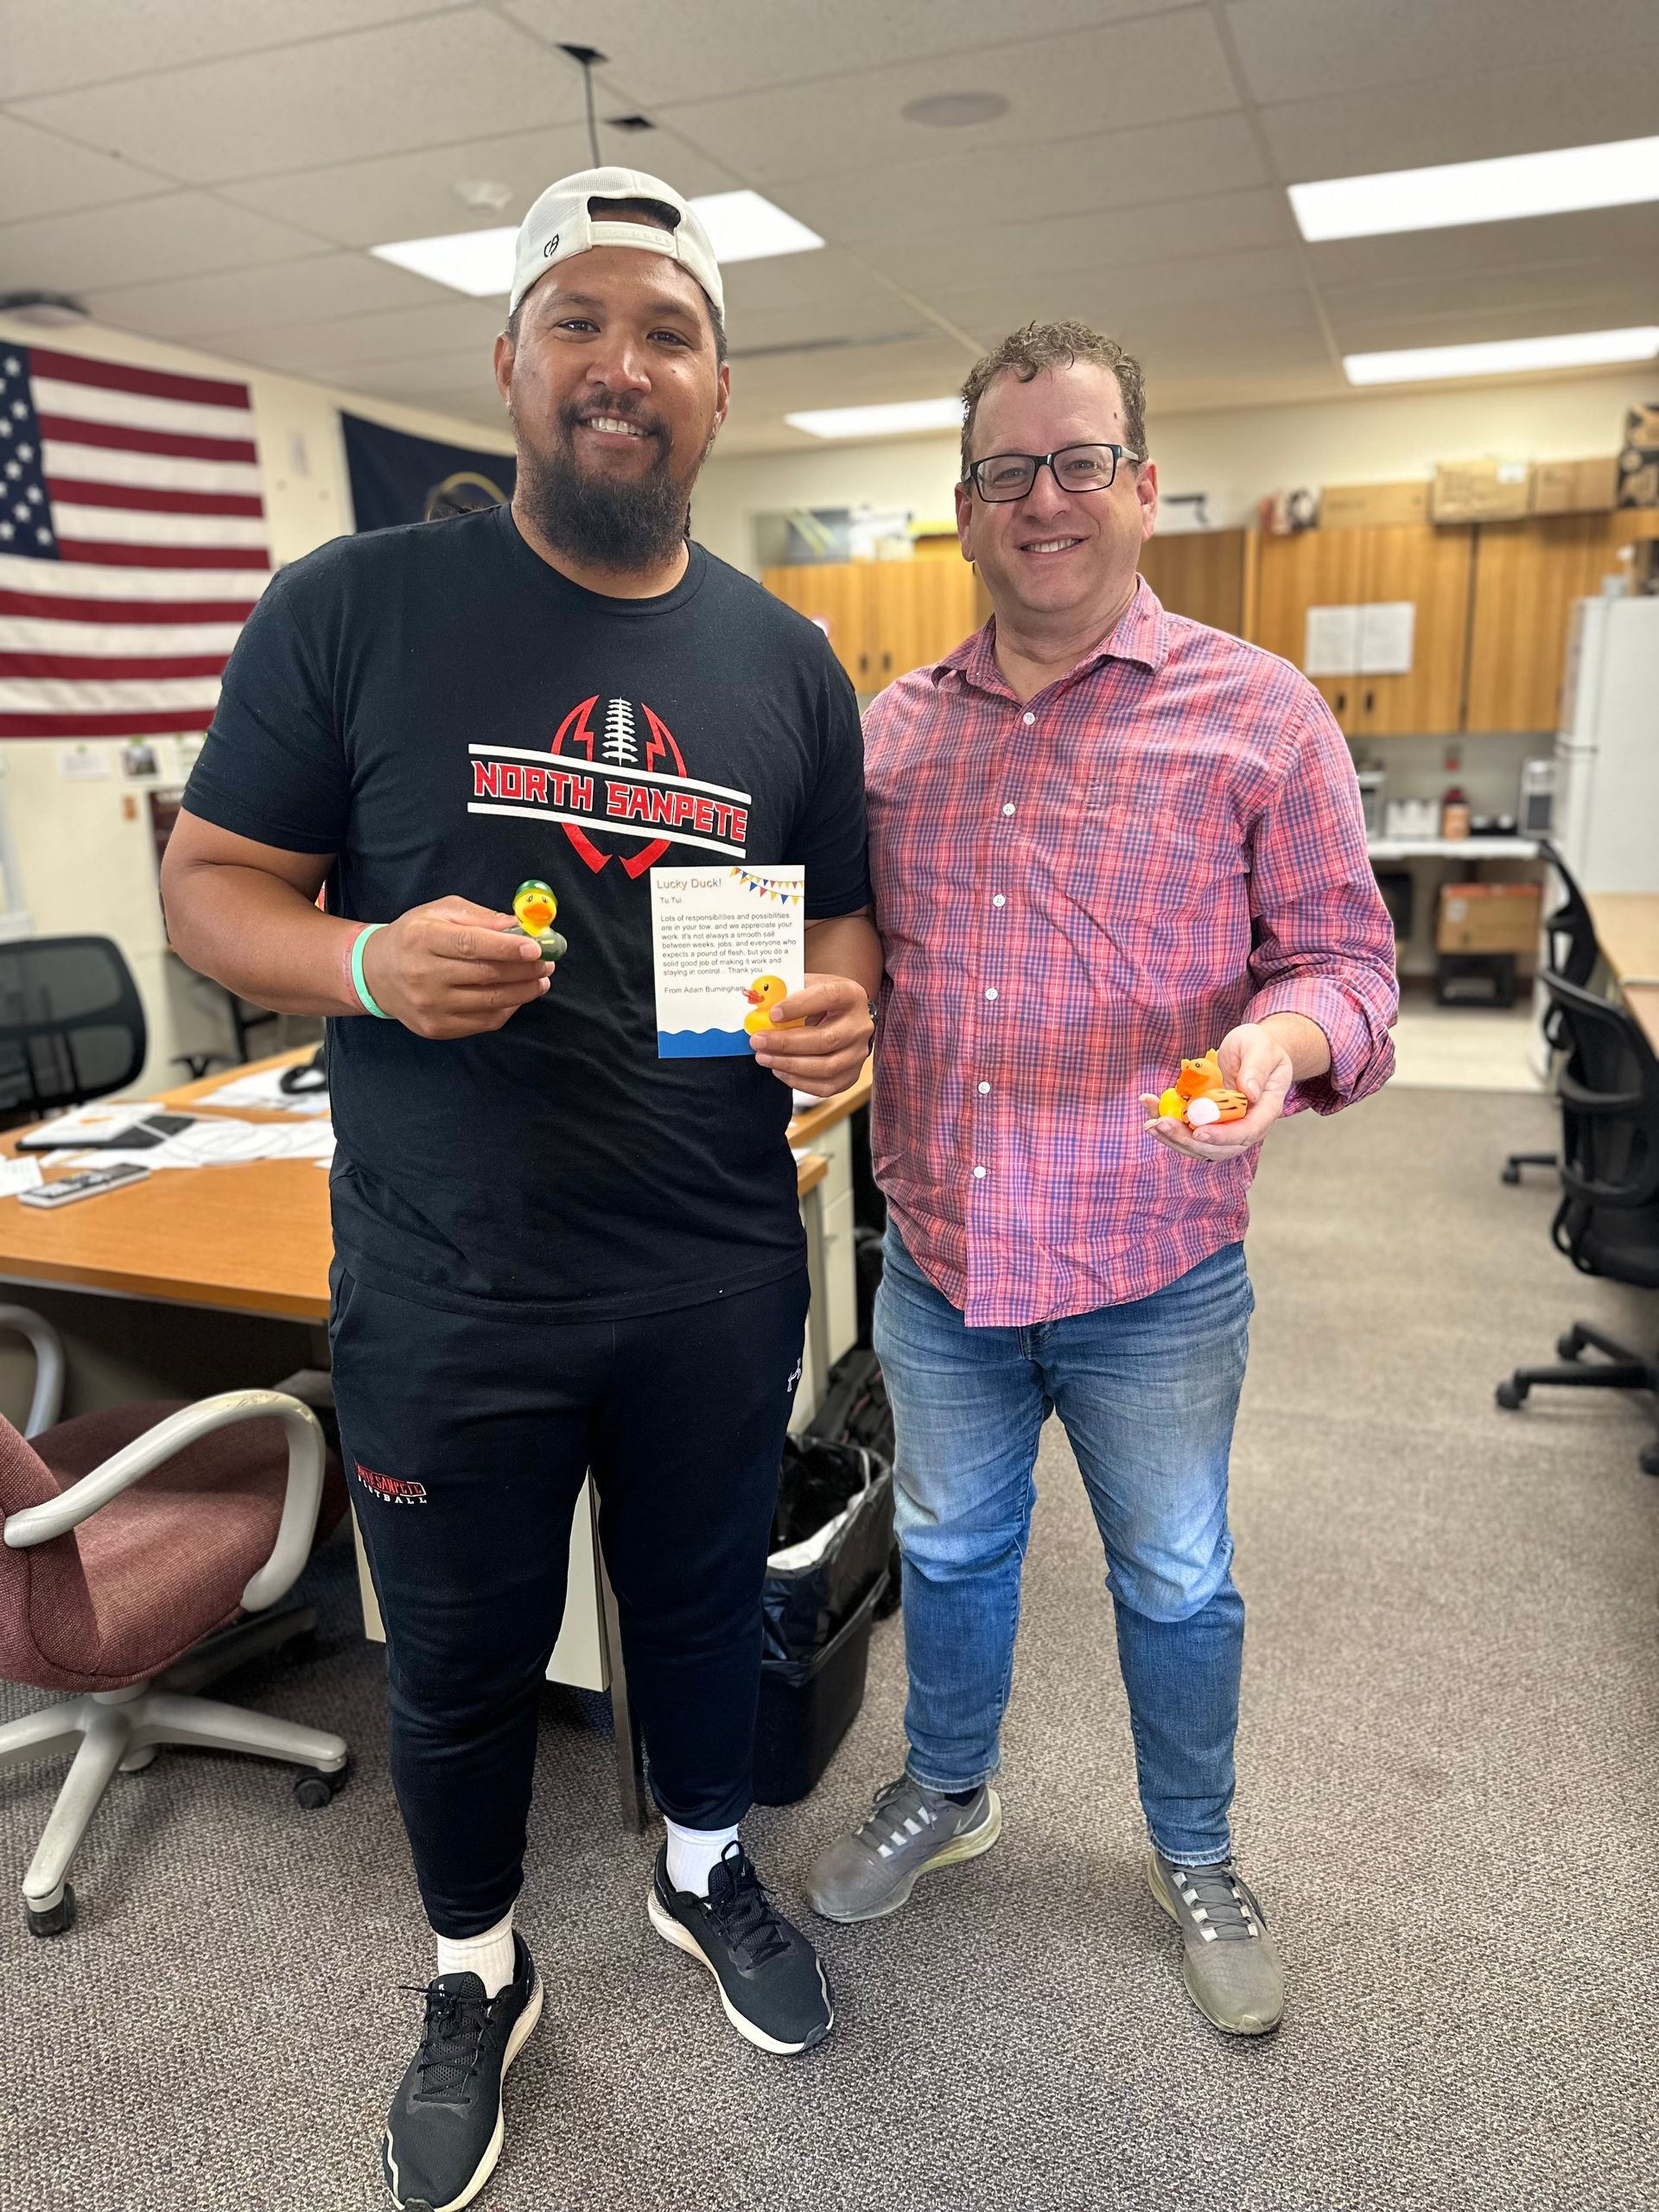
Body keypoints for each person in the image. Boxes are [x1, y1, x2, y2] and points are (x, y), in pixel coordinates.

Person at [162, 168, 881, 2212]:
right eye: (577, 320)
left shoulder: (786, 660)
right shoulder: (352, 605)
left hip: (714, 1261)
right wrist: (369, 961)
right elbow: (212, 885)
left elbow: (840, 928)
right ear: (509, 362)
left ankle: (706, 1871)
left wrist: (842, 1012)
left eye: (663, 329)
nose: (618, 365)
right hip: (449, 1271)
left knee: (696, 1610)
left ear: (718, 385)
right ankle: (476, 1968)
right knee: (460, 1656)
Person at [806, 321, 1397, 2039]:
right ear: (969, 510)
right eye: (1004, 470)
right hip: (944, 1268)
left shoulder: (1257, 712)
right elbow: (854, 964)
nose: (1040, 498)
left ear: (1143, 487)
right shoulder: (889, 735)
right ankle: (951, 1785)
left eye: (1076, 462)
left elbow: (1348, 970)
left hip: (1156, 1269)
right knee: (956, 1550)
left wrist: (1280, 1051)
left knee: (1178, 1578)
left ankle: (1196, 1847)